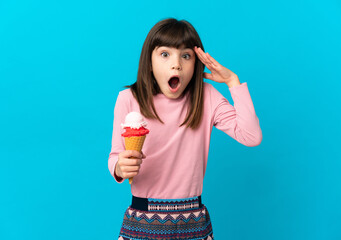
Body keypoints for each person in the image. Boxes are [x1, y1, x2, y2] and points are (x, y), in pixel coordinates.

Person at [108, 18, 262, 240]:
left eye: (186, 56)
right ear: (149, 61)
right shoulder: (128, 99)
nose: (176, 64)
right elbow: (115, 156)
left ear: (196, 64)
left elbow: (251, 136)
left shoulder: (207, 97)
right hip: (142, 219)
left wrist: (232, 82)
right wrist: (120, 168)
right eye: (165, 54)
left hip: (194, 223)